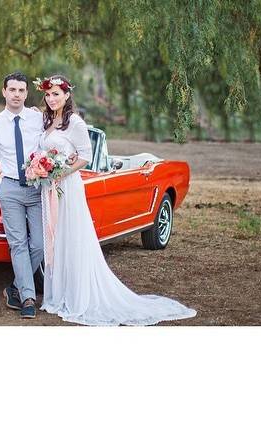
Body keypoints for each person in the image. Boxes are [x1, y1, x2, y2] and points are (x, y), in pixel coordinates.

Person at [34, 75, 197, 326]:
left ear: (67, 95)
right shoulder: (46, 120)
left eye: (56, 94)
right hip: (49, 188)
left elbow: (85, 156)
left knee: (71, 235)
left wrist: (60, 173)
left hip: (67, 186)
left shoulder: (75, 122)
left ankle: (78, 297)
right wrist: (40, 169)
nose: (51, 98)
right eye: (48, 94)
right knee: (55, 237)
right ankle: (59, 294)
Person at [0, 71, 44, 319]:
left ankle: (14, 287)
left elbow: (51, 143)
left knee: (38, 244)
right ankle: (28, 298)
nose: (16, 94)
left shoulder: (37, 120)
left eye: (21, 90)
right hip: (10, 189)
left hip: (36, 188)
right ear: (4, 92)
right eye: (12, 90)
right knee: (17, 244)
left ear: (27, 93)